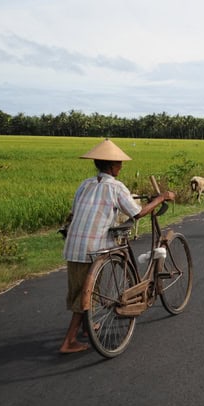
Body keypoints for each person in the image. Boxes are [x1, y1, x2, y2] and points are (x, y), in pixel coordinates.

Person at [59, 139, 175, 354]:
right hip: (96, 246)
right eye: (119, 164)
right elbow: (137, 212)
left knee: (80, 289)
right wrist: (160, 198)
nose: (121, 167)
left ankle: (88, 326)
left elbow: (75, 212)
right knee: (84, 293)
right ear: (111, 166)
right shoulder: (116, 187)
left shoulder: (85, 184)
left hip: (73, 245)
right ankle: (69, 341)